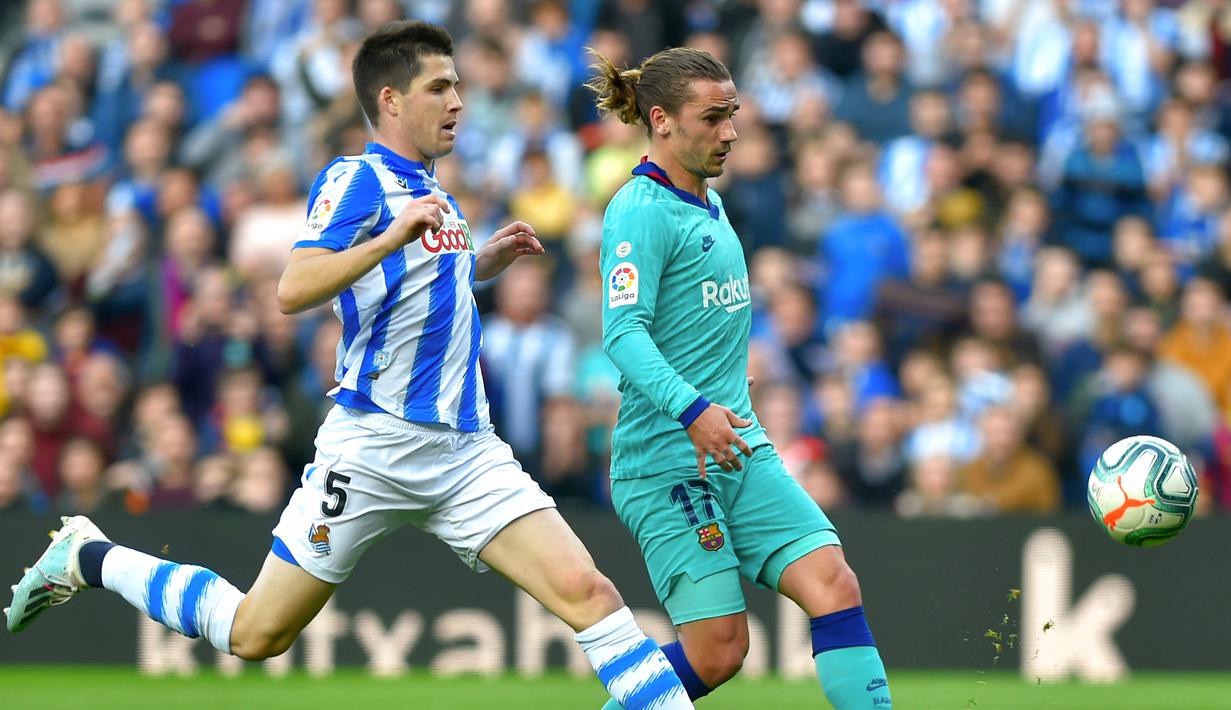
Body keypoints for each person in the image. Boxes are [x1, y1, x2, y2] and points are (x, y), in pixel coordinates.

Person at [6, 21, 693, 710]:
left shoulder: (436, 191)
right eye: (440, 87)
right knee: (255, 634)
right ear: (390, 100)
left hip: (466, 453)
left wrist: (478, 262)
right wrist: (392, 235)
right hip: (371, 449)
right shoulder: (356, 179)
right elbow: (294, 287)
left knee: (591, 595)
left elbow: (410, 282)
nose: (458, 100)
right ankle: (89, 556)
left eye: (457, 83)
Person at [590, 47, 892, 709]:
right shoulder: (639, 210)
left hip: (738, 445)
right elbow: (622, 334)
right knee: (719, 651)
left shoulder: (710, 202)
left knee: (834, 585)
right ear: (661, 120)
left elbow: (692, 323)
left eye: (733, 116)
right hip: (667, 463)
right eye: (713, 118)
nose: (730, 132)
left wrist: (720, 387)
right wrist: (692, 406)